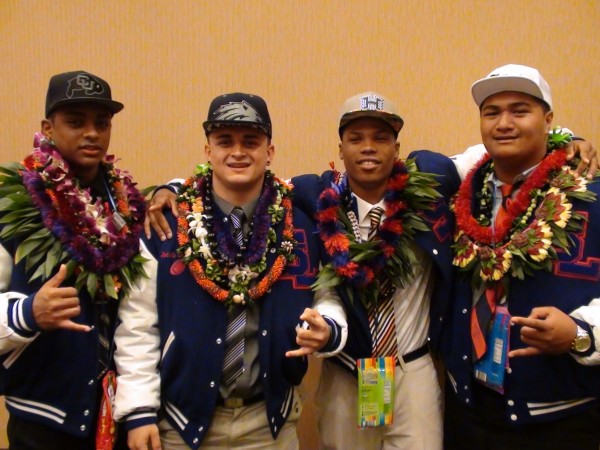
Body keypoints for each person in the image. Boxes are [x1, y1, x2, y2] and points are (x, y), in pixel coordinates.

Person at [145, 91, 597, 450]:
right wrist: (172, 188)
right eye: (356, 137)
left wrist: (563, 138)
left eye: (380, 138)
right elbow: (240, 177)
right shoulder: (310, 196)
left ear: (397, 147)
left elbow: (495, 148)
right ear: (339, 148)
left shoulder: (432, 181)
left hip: (414, 370)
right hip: (347, 372)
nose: (368, 148)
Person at [113, 92, 347, 450]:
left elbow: (326, 294)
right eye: (225, 141)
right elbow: (138, 323)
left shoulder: (300, 225)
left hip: (270, 426)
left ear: (270, 152)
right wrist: (139, 411)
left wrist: (328, 328)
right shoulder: (165, 225)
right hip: (180, 425)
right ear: (208, 151)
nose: (238, 152)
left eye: (251, 141)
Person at [442, 64, 600, 450]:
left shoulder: (591, 195)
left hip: (560, 416)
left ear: (548, 120)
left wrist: (581, 335)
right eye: (491, 113)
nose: (504, 123)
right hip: (468, 407)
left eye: (520, 110)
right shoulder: (465, 189)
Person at [0, 71, 149, 449]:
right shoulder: (12, 206)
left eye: (102, 123)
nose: (92, 133)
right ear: (47, 128)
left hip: (113, 414)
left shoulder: (125, 203)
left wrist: (168, 190)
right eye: (75, 121)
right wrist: (28, 312)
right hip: (43, 418)